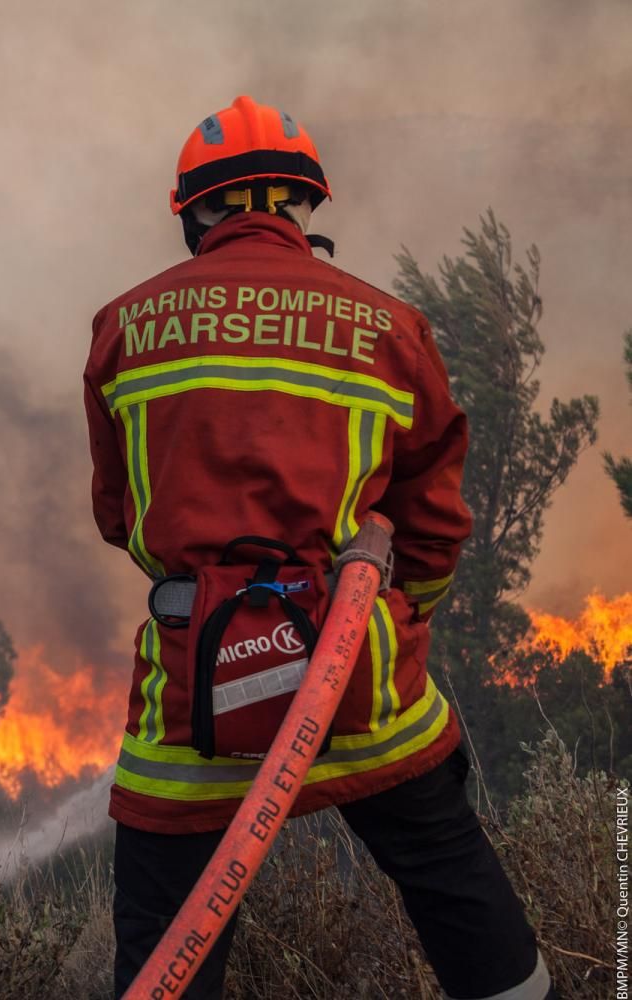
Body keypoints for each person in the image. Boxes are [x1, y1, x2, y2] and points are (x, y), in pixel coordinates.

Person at [83, 95, 553, 1000]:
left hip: (193, 701)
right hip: (360, 685)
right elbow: (435, 523)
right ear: (305, 205)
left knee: (163, 947)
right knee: (453, 881)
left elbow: (118, 513)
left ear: (193, 213)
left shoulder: (124, 329)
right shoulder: (387, 327)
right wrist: (389, 615)